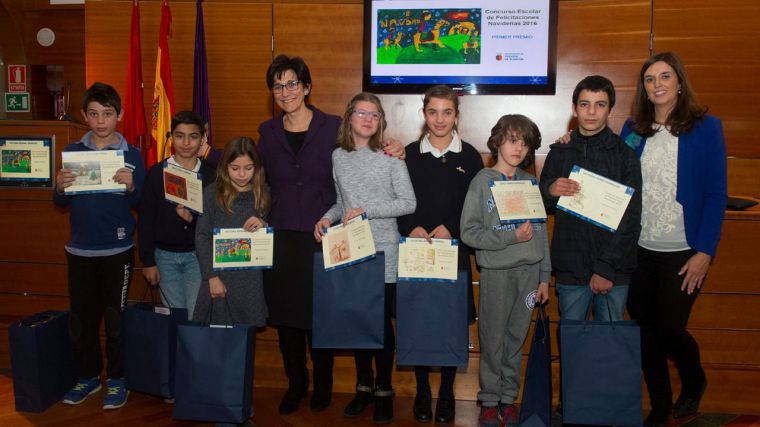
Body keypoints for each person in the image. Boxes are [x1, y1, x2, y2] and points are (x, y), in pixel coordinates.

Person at [257, 55, 405, 415]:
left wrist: (396, 147)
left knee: (320, 314)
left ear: (307, 87)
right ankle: (297, 383)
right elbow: (251, 173)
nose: (285, 91)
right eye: (278, 85)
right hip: (283, 236)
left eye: (293, 83)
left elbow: (368, 151)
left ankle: (323, 384)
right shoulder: (267, 131)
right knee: (287, 320)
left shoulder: (332, 127)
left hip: (325, 236)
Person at [620, 52, 727, 427]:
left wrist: (705, 252)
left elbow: (716, 195)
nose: (658, 84)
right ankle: (661, 403)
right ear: (644, 89)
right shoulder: (633, 129)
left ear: (679, 82)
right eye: (650, 79)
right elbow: (614, 174)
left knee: (669, 329)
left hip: (684, 251)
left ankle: (694, 379)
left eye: (665, 76)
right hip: (638, 249)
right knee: (645, 332)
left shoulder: (706, 127)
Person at [539, 75, 642, 422]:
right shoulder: (560, 151)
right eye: (584, 104)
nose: (591, 112)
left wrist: (606, 268)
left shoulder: (625, 156)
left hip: (612, 269)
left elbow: (631, 219)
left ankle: (608, 409)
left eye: (599, 105)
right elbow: (542, 202)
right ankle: (572, 405)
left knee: (610, 346)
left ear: (610, 109)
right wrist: (551, 189)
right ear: (574, 109)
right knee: (572, 345)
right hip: (570, 266)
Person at [314, 92, 416, 424]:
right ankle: (363, 388)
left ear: (380, 121)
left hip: (383, 251)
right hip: (351, 251)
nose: (368, 119)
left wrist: (368, 211)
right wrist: (327, 218)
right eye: (362, 113)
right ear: (349, 117)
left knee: (382, 327)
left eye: (374, 115)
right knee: (358, 322)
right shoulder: (338, 157)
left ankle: (384, 391)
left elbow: (408, 203)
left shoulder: (390, 156)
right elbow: (343, 204)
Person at [54, 82, 146, 409]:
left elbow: (141, 201)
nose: (101, 120)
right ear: (84, 116)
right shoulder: (74, 152)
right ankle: (89, 377)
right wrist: (60, 188)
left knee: (116, 320)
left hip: (117, 251)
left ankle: (117, 380)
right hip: (80, 251)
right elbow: (59, 201)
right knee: (83, 320)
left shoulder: (132, 155)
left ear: (119, 115)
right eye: (93, 114)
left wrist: (133, 184)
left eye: (107, 114)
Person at [396, 84, 483, 425]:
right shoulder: (408, 154)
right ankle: (421, 391)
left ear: (456, 115)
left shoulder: (470, 156)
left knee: (448, 321)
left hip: (453, 250)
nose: (440, 119)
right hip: (415, 250)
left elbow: (476, 205)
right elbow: (399, 199)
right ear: (424, 114)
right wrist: (411, 226)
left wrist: (453, 227)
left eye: (447, 112)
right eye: (433, 112)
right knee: (418, 319)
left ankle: (446, 393)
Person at [461, 115, 550, 427]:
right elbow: (469, 232)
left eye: (524, 143)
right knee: (493, 338)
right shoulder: (481, 182)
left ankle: (508, 398)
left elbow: (540, 233)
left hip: (529, 274)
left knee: (516, 338)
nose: (519, 148)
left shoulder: (530, 183)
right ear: (497, 141)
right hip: (498, 273)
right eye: (513, 140)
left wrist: (544, 277)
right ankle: (488, 399)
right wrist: (510, 236)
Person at [191, 136, 269, 426]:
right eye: (235, 168)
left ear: (256, 169)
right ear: (225, 168)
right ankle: (221, 408)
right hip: (219, 282)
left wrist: (263, 224)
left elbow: (271, 234)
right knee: (221, 347)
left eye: (248, 168)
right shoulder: (213, 193)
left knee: (243, 348)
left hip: (250, 283)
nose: (242, 175)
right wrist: (211, 276)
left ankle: (240, 404)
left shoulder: (263, 194)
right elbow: (201, 236)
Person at [138, 111, 216, 320]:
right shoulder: (156, 173)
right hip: (164, 258)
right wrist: (148, 261)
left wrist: (193, 221)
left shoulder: (211, 176)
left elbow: (216, 220)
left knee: (195, 316)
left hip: (197, 257)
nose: (186, 143)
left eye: (193, 136)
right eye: (180, 136)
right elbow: (145, 219)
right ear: (171, 137)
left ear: (202, 139)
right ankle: (179, 354)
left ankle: (193, 354)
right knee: (175, 318)